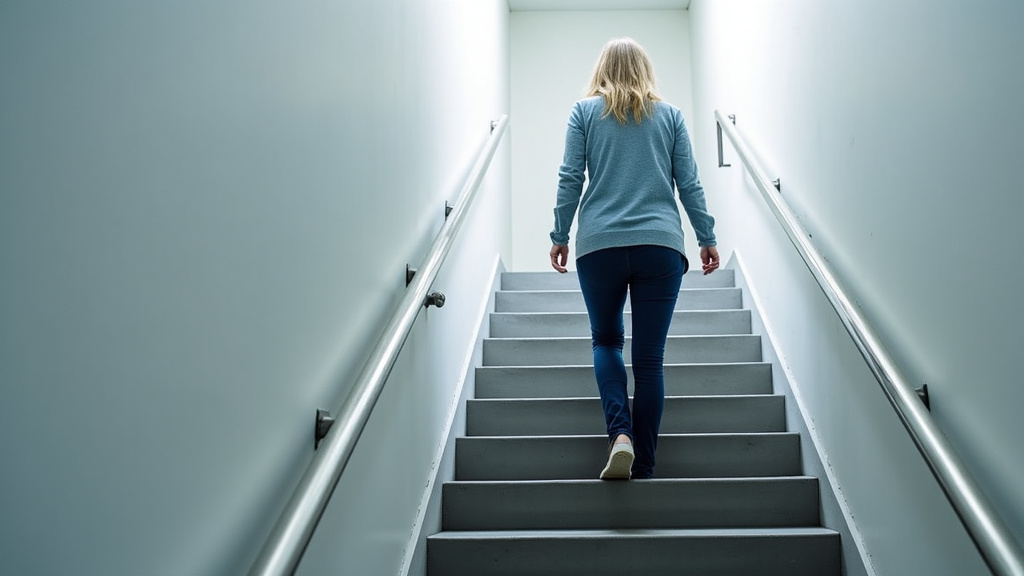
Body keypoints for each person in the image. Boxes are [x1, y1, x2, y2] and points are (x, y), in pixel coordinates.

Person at [549, 37, 720, 480]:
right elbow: (690, 182)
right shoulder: (671, 116)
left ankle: (619, 435)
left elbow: (570, 177)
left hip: (599, 245)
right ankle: (643, 462)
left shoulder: (584, 112)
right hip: (660, 245)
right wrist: (706, 236)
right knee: (649, 361)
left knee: (606, 342)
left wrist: (559, 234)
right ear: (646, 70)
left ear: (601, 68)